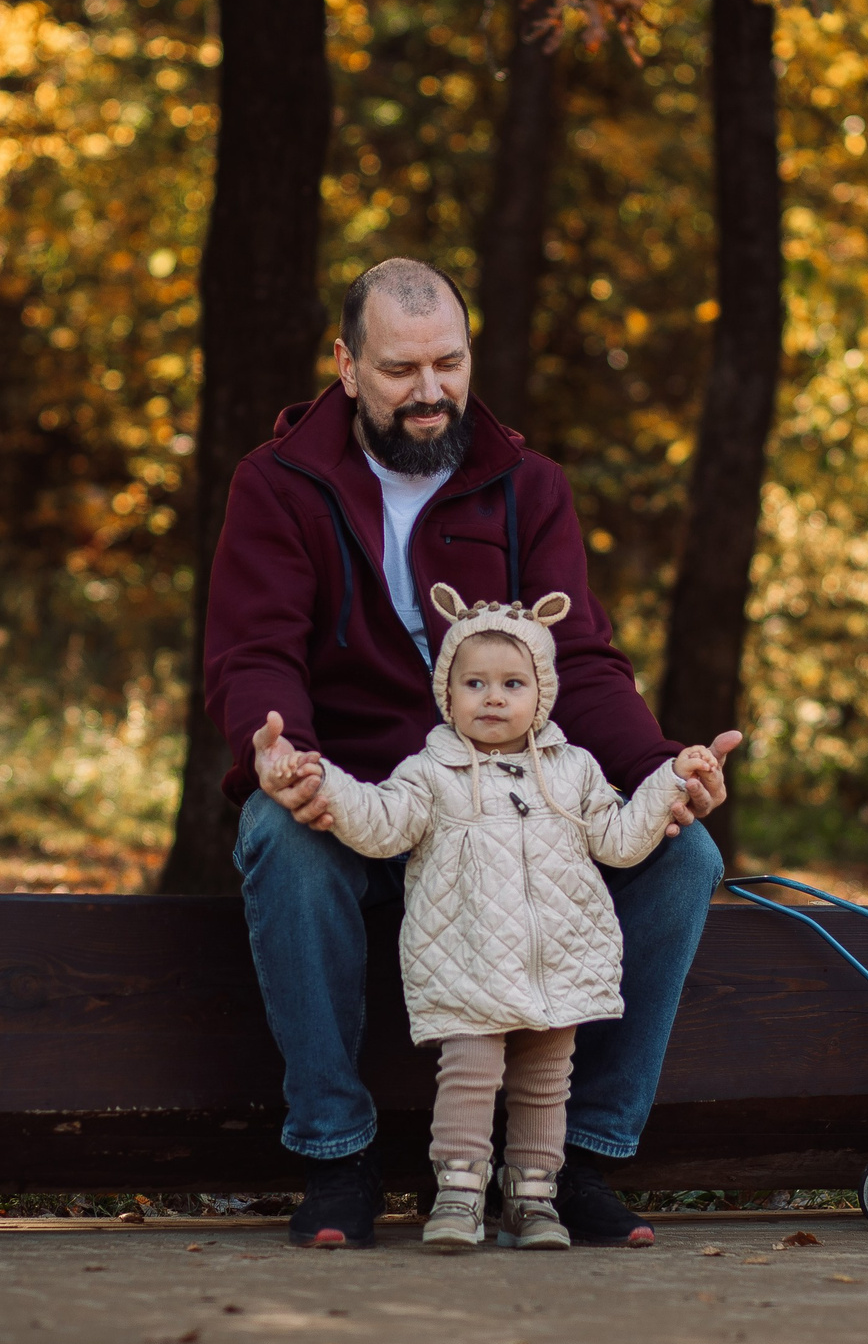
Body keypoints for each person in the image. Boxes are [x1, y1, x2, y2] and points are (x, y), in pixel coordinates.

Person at [202, 255, 742, 1248]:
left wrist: (666, 768)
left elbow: (576, 661)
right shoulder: (277, 486)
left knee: (686, 855)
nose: (429, 392)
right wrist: (281, 758)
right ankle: (336, 1155)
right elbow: (255, 655)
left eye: (447, 363)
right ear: (347, 363)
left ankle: (576, 1164)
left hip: (517, 813)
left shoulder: (526, 487)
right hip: (366, 803)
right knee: (274, 835)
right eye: (401, 369)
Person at [262, 585, 725, 1250]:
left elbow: (622, 839)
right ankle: (457, 1193)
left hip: (556, 969)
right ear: (447, 695)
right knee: (470, 1073)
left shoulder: (575, 773)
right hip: (471, 964)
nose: (494, 697)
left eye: (513, 682)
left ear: (543, 694)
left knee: (544, 1084)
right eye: (473, 682)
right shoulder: (431, 771)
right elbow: (379, 823)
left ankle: (533, 1198)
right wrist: (322, 780)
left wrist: (670, 780)